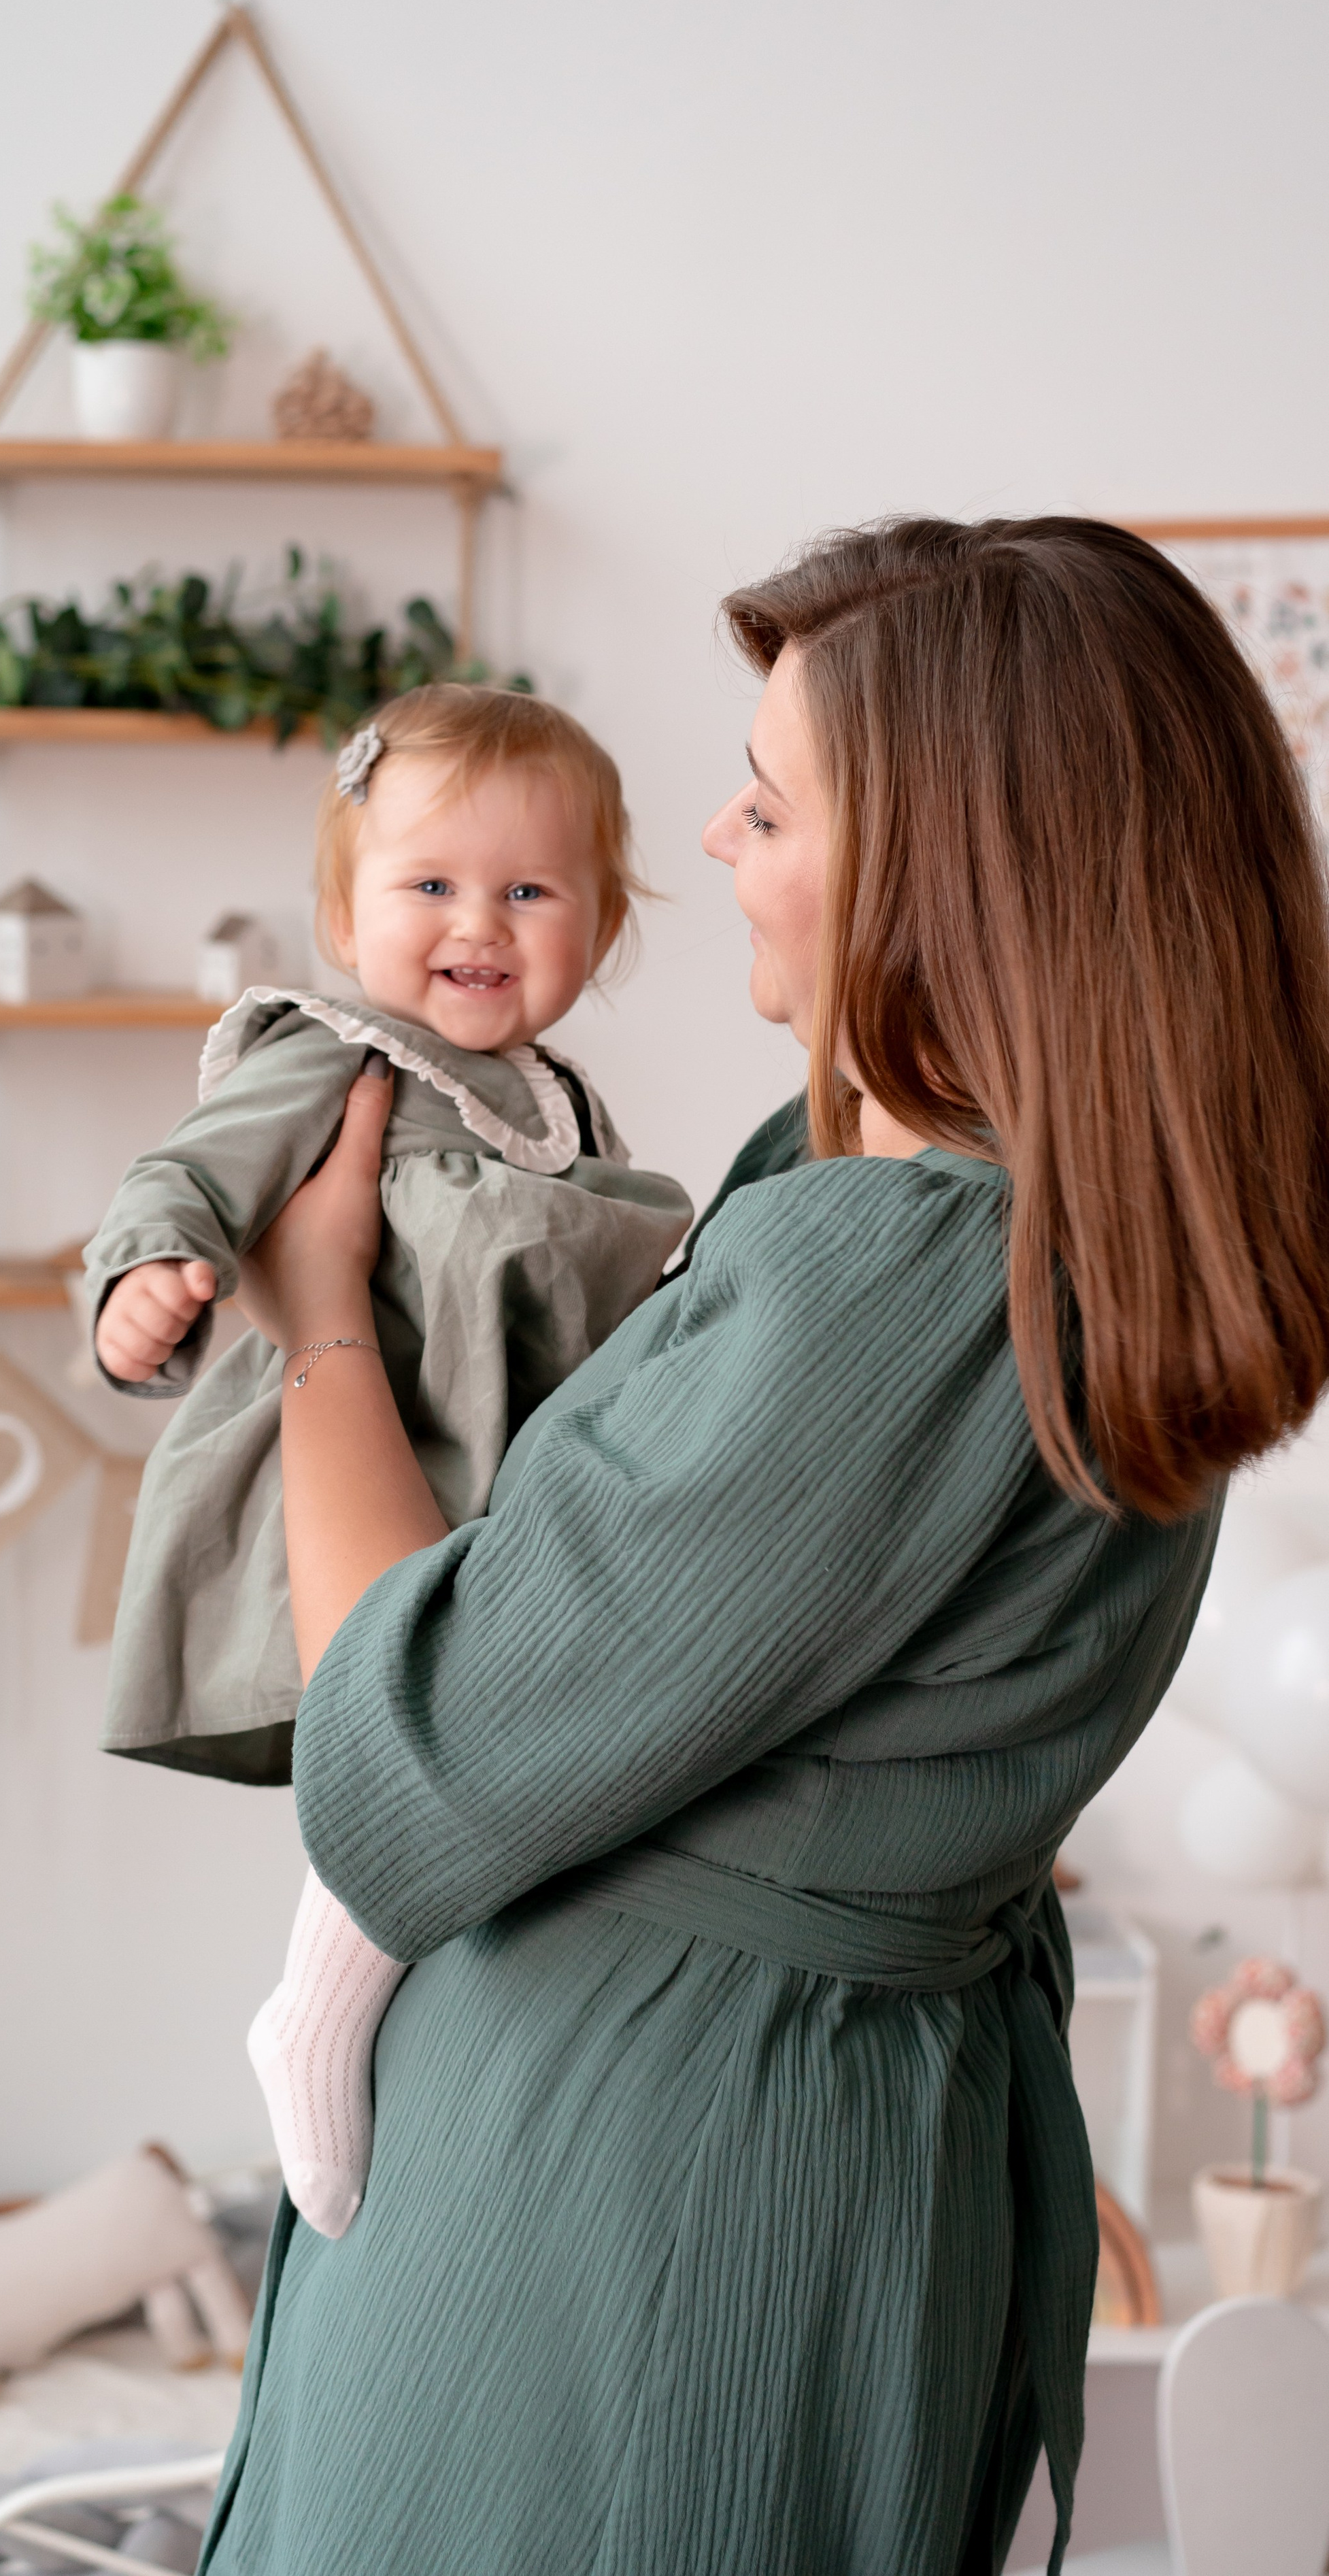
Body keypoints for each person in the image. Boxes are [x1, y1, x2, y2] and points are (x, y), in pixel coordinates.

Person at [192, 518, 1329, 2576]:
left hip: (648, 2194)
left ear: (948, 876)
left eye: (773, 797)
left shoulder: (899, 1274)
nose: (712, 832)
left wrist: (324, 1318)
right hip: (791, 2139)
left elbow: (395, 1762)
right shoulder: (1043, 1225)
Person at [85, 684, 692, 2237]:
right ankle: (309, 2002)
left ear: (601, 924)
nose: (473, 923)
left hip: (512, 1513)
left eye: (527, 889)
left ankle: (409, 2041)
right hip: (377, 1482)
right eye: (426, 884)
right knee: (408, 1750)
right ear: (342, 912)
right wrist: (148, 1281)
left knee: (502, 1790)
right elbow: (187, 1175)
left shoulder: (557, 1108)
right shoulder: (336, 1054)